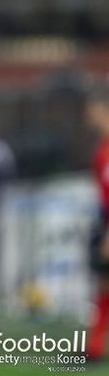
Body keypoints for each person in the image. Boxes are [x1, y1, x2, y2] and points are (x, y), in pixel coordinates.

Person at [85, 80, 109, 361]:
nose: (89, 116)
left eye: (93, 109)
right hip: (104, 221)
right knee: (103, 284)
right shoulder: (101, 149)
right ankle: (93, 347)